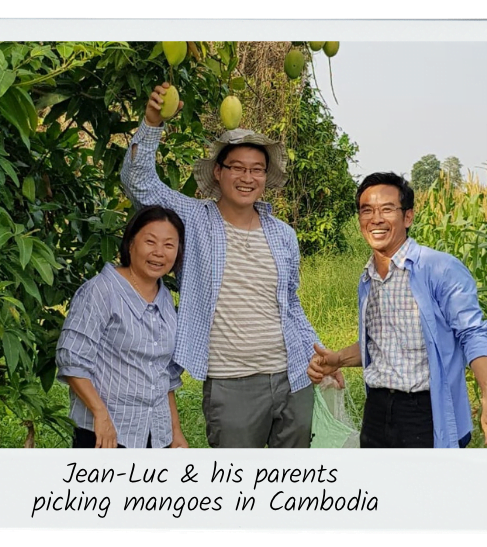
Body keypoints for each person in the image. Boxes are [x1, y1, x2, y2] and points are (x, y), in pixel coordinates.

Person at [120, 82, 342, 448]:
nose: (247, 177)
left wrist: (322, 354)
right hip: (231, 382)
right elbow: (138, 182)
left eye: (257, 169)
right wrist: (151, 121)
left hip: (294, 376)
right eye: (237, 167)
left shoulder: (283, 234)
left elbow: (290, 305)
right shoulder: (193, 218)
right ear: (218, 173)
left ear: (266, 178)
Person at [307, 172, 487, 448]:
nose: (376, 219)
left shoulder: (440, 269)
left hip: (426, 410)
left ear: (408, 217)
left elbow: (474, 335)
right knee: (378, 489)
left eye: (387, 209)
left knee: (427, 489)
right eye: (367, 210)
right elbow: (381, 345)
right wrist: (337, 359)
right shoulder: (367, 279)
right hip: (377, 410)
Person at [56, 205, 188, 448]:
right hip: (105, 433)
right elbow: (72, 360)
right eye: (150, 241)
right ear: (131, 244)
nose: (159, 252)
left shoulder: (166, 299)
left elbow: (163, 373)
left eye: (169, 245)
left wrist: (174, 431)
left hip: (154, 433)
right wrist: (101, 415)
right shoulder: (101, 291)